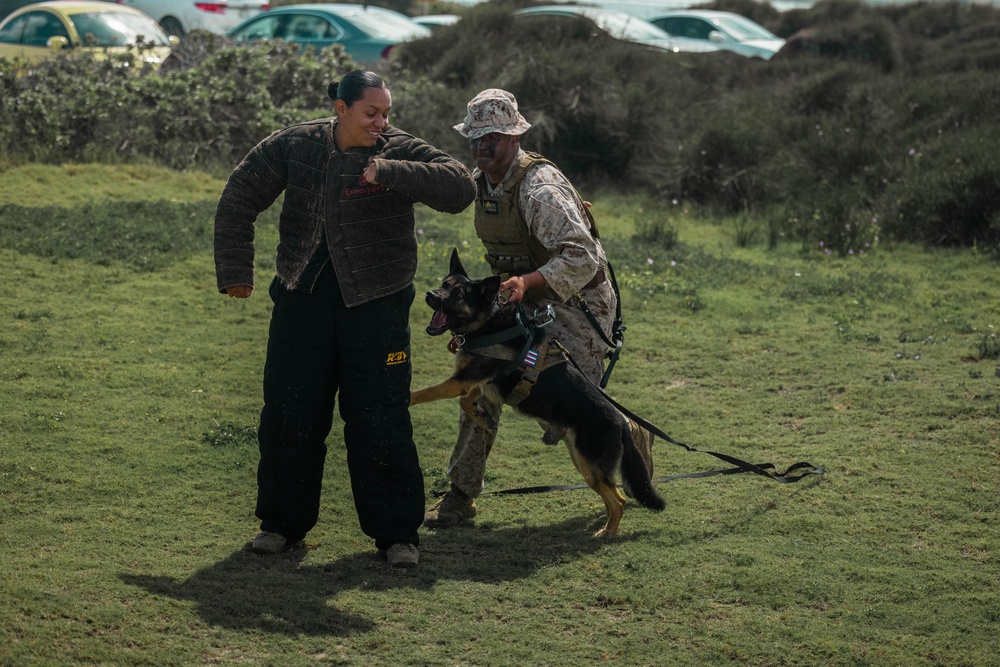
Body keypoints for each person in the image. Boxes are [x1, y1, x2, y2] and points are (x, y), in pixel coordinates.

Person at [214, 70, 476, 567]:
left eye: (386, 114)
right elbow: (238, 198)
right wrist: (235, 270)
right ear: (341, 109)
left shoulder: (400, 149)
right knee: (290, 414)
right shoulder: (293, 145)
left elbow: (459, 188)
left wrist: (390, 171)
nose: (380, 122)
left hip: (378, 305)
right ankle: (280, 526)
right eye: (370, 113)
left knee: (381, 419)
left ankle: (398, 535)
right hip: (302, 299)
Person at [423, 88, 653, 529]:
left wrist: (528, 282)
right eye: (475, 137)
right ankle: (460, 496)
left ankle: (630, 436)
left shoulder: (540, 190)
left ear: (514, 136)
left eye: (492, 136)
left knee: (570, 415)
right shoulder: (482, 183)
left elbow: (584, 258)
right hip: (517, 303)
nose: (482, 145)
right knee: (477, 390)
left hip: (575, 305)